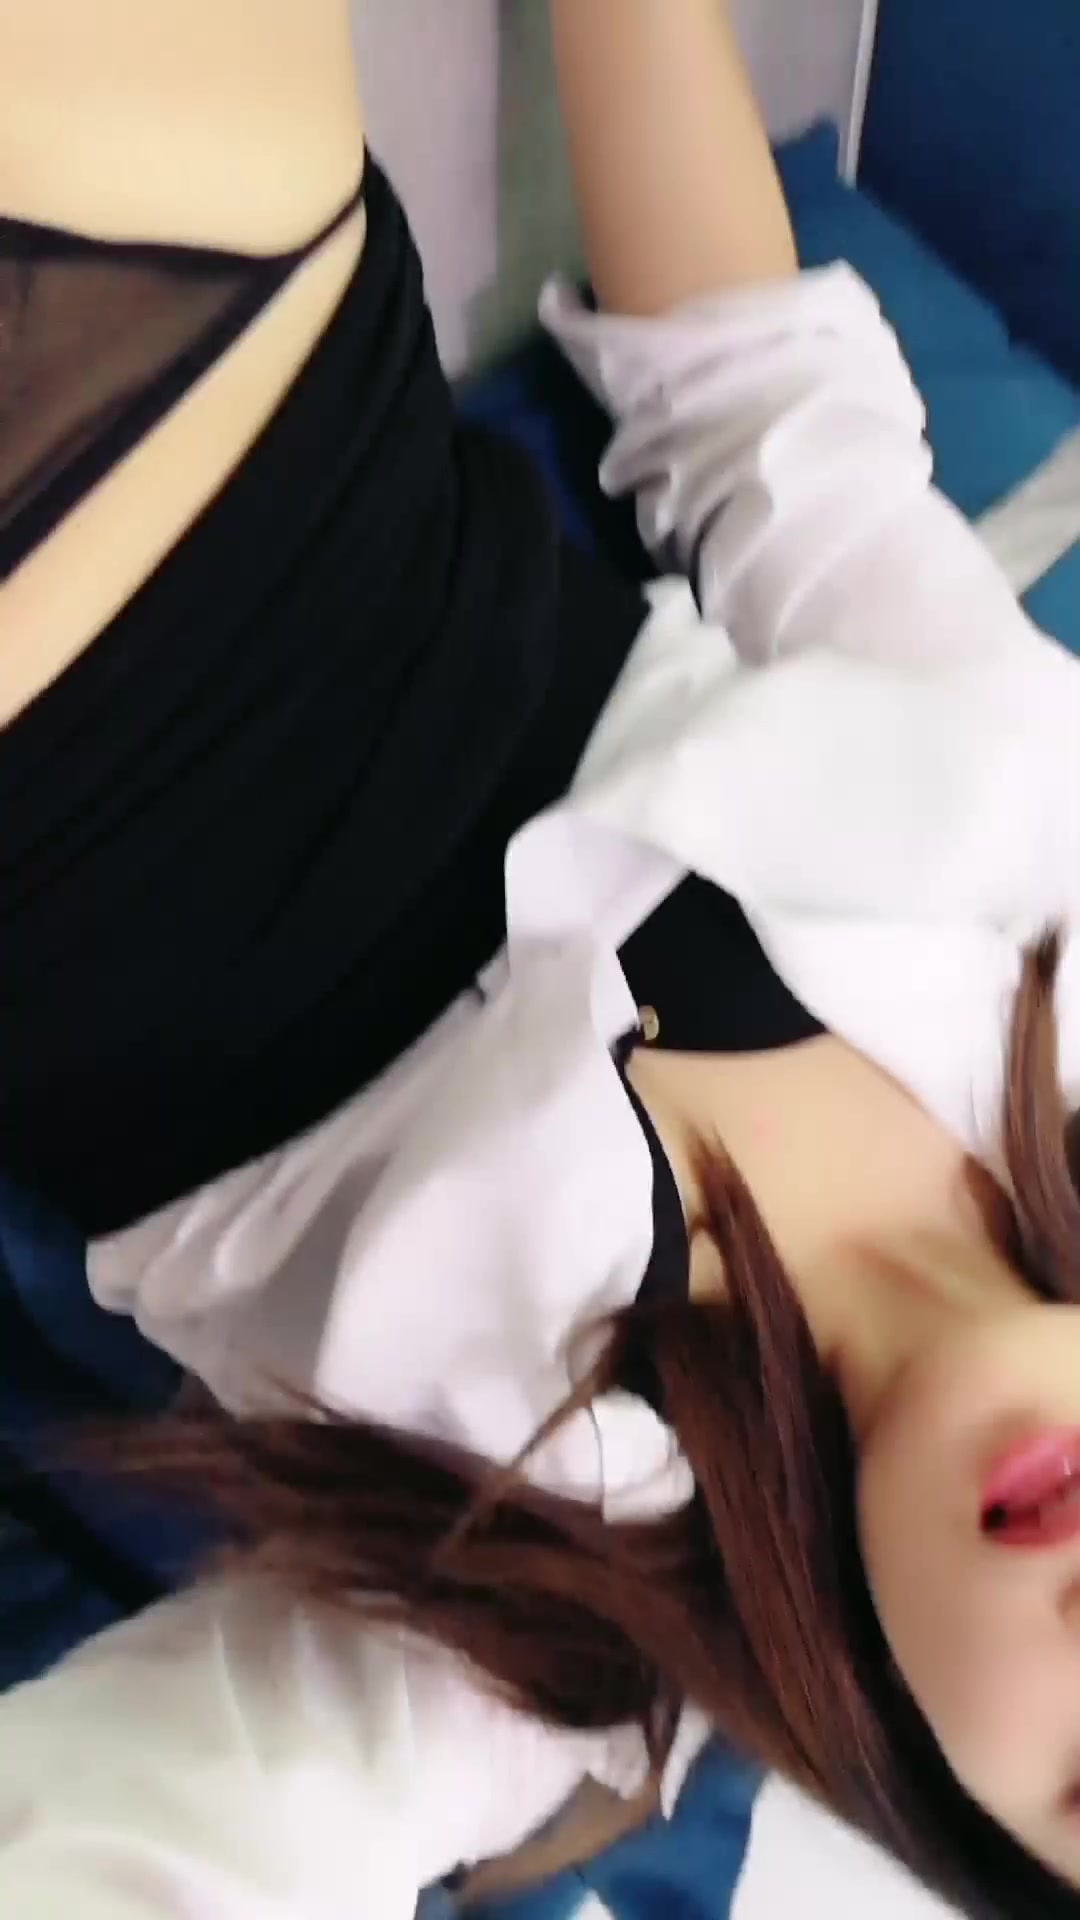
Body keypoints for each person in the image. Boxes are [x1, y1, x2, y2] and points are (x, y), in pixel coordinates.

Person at [1, 1, 1079, 1914]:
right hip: (259, 305)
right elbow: (766, 415)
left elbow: (141, 1839)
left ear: (963, 1834)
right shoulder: (1037, 895)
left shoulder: (547, 1649)